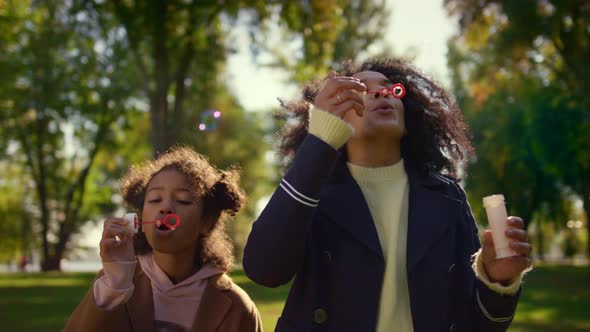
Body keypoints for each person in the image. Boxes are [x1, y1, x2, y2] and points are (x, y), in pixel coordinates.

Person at [243, 58, 532, 332]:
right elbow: (264, 270)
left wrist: (496, 280)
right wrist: (320, 141)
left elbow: (479, 325)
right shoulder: (311, 192)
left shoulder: (448, 197)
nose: (382, 93)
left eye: (391, 89)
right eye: (363, 90)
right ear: (337, 115)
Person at [65, 146, 262, 332]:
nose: (165, 207)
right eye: (154, 200)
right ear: (141, 218)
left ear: (206, 222)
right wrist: (116, 284)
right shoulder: (112, 282)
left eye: (183, 200)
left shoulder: (238, 308)